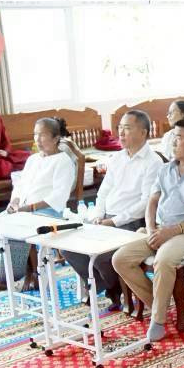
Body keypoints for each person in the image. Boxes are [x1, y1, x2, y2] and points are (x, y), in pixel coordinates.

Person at [112, 118, 184, 342]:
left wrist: (171, 232)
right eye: (173, 136)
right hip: (161, 229)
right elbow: (152, 201)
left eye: (179, 137)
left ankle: (159, 320)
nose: (173, 141)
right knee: (120, 258)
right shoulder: (166, 169)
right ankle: (159, 303)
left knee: (162, 260)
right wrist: (152, 228)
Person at [61, 110, 159, 310]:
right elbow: (103, 191)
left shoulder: (153, 162)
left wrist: (113, 222)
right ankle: (111, 287)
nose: (121, 134)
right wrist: (98, 215)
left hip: (131, 222)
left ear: (143, 132)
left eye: (127, 129)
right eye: (119, 128)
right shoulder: (118, 158)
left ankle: (117, 290)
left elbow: (145, 204)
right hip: (105, 218)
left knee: (103, 254)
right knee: (68, 247)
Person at [0, 117, 78, 293]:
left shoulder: (63, 161)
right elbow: (20, 185)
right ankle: (4, 276)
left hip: (47, 212)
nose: (37, 139)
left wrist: (29, 208)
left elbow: (58, 197)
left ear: (55, 138)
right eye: (35, 134)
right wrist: (14, 202)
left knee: (16, 229)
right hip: (24, 209)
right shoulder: (33, 160)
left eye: (43, 135)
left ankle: (18, 276)